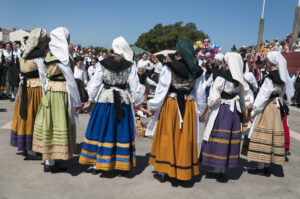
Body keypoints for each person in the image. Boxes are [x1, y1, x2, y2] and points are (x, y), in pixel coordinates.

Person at [79, 36, 144, 174]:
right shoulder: (130, 65)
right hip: (123, 100)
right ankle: (122, 165)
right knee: (120, 133)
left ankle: (98, 164)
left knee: (101, 130)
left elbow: (95, 83)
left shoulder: (102, 63)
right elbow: (135, 86)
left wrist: (90, 100)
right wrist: (139, 103)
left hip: (105, 100)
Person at [146, 39, 206, 182]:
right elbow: (200, 94)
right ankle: (182, 170)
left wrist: (153, 106)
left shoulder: (169, 67)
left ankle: (163, 171)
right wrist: (200, 111)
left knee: (167, 135)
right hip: (189, 105)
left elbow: (162, 89)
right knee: (184, 137)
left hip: (171, 104)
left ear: (178, 51)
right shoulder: (198, 70)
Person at [32, 27, 82, 173]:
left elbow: (43, 76)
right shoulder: (63, 56)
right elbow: (71, 81)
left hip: (50, 91)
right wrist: (77, 102)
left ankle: (49, 161)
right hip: (61, 93)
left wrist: (45, 90)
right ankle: (53, 162)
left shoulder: (48, 55)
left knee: (50, 124)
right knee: (59, 124)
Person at [199, 52, 252, 183]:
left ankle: (216, 169)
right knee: (228, 139)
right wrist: (245, 114)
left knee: (217, 138)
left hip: (222, 111)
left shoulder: (221, 77)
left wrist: (206, 110)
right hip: (233, 113)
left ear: (227, 63)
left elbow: (214, 98)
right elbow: (244, 98)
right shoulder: (240, 80)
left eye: (224, 62)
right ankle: (222, 171)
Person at [246, 51, 294, 176]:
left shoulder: (271, 77)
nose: (265, 63)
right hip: (277, 107)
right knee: (271, 136)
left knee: (263, 136)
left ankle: (261, 167)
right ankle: (267, 165)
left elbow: (263, 95)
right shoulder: (283, 76)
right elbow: (282, 94)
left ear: (271, 62)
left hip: (268, 107)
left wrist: (254, 110)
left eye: (267, 60)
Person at [10, 28, 48, 160]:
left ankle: (26, 147)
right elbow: (44, 74)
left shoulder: (24, 53)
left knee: (25, 115)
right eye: (44, 41)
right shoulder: (39, 55)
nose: (45, 44)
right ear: (40, 41)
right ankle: (32, 148)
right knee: (33, 116)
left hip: (25, 87)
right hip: (35, 88)